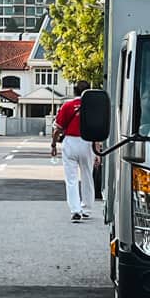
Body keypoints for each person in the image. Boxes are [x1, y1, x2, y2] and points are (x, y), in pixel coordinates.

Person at [51, 82, 97, 222]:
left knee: (71, 179)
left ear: (74, 91)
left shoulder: (67, 106)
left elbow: (58, 129)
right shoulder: (93, 108)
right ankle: (87, 208)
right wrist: (98, 149)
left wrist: (53, 144)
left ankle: (75, 210)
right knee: (87, 176)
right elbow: (97, 129)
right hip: (88, 142)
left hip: (70, 142)